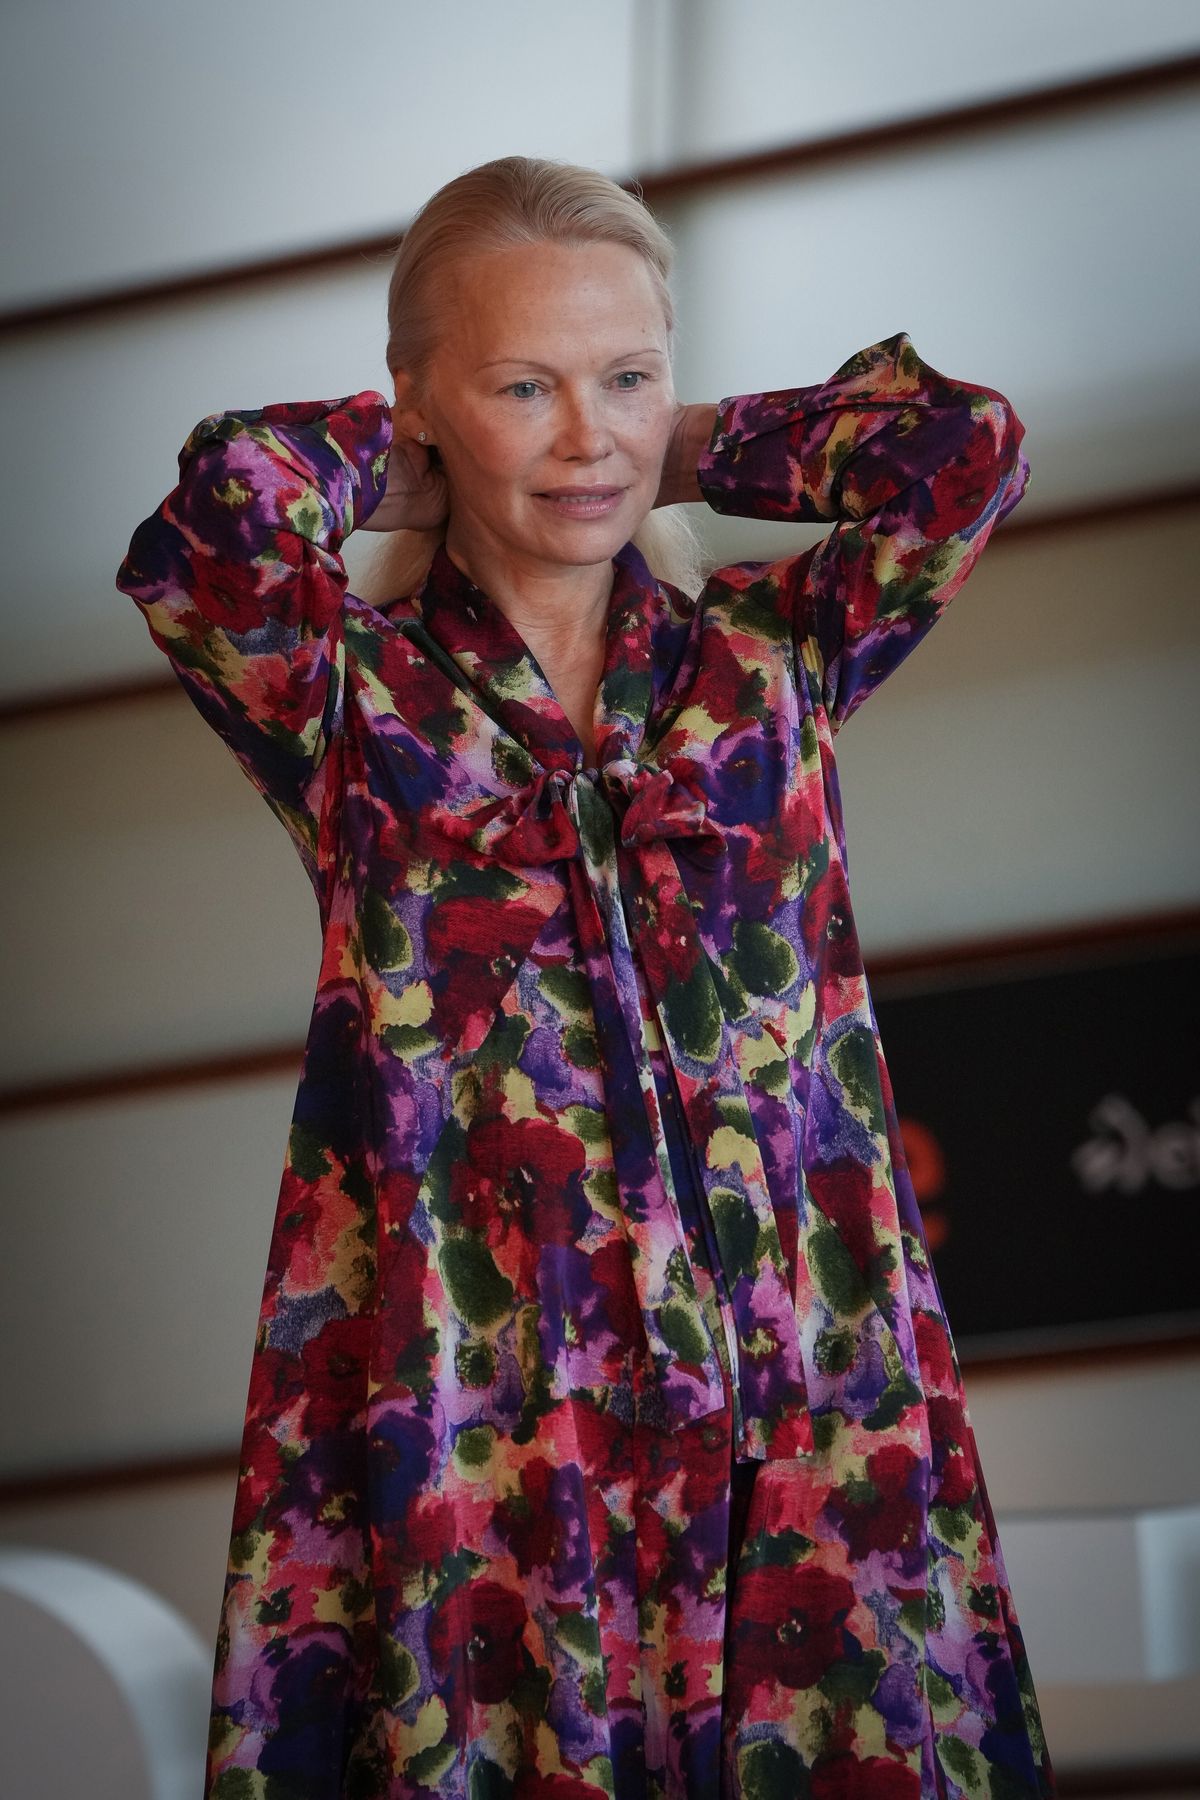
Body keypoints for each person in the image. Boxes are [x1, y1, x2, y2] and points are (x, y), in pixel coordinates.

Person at [116, 155, 1054, 1800]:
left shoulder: (776, 661)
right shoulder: (346, 706)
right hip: (486, 1399)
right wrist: (403, 458)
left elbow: (962, 453)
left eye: (624, 375)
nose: (585, 434)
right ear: (423, 401)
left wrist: (677, 442)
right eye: (522, 387)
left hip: (802, 1384)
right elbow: (220, 526)